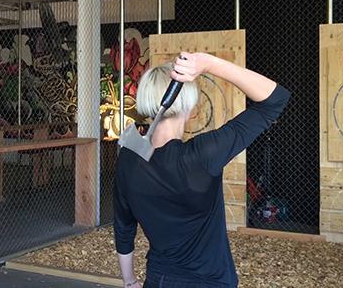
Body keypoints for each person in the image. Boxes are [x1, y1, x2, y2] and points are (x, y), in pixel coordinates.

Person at [114, 51, 290, 288]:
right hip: (211, 281)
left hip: (159, 279)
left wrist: (129, 281)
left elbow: (124, 227)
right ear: (190, 107)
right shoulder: (202, 155)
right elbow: (275, 100)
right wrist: (209, 64)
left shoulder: (128, 159)